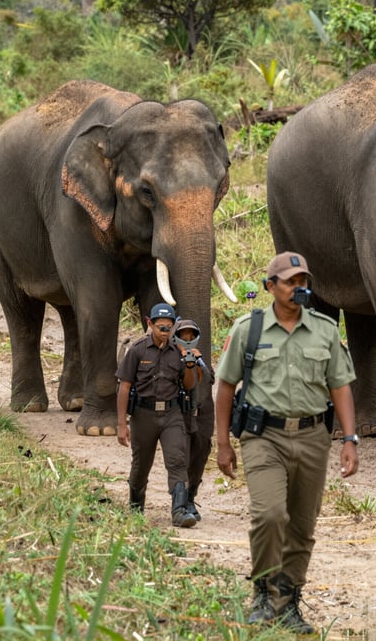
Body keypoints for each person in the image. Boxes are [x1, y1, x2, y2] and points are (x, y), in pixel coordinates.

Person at [215, 252, 358, 634]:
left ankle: (288, 600)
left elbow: (340, 386)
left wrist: (350, 438)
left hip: (313, 437)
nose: (299, 288)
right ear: (269, 287)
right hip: (263, 437)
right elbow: (226, 386)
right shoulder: (250, 329)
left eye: (303, 281)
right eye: (291, 281)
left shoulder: (325, 330)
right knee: (270, 514)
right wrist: (222, 443)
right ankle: (263, 592)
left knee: (301, 526)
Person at [116, 303, 203, 528]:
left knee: (177, 460)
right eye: (160, 327)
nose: (165, 331)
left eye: (169, 327)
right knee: (141, 464)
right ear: (150, 324)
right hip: (143, 415)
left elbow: (189, 384)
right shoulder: (137, 350)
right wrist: (121, 424)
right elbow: (125, 387)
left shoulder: (179, 351)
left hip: (172, 414)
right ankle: (136, 506)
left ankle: (180, 510)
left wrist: (190, 364)